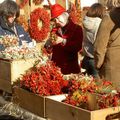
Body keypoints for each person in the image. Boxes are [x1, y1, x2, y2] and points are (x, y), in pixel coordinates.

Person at [45, 4, 83, 75]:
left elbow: (78, 47)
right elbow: (49, 50)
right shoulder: (54, 30)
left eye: (58, 18)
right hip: (56, 70)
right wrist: (48, 45)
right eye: (54, 19)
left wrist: (63, 41)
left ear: (65, 15)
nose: (56, 21)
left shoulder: (77, 29)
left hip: (70, 68)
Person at [94, 0, 120, 88]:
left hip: (112, 67)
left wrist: (98, 65)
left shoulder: (108, 18)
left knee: (111, 97)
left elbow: (99, 46)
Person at [82, 3, 105, 79]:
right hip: (95, 59)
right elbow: (99, 44)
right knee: (98, 86)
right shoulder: (99, 24)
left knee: (88, 84)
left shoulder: (85, 22)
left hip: (87, 57)